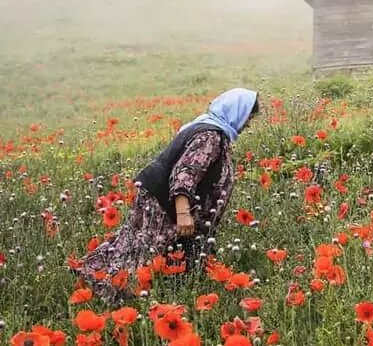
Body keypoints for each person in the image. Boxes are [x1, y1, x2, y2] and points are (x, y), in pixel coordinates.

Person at [77, 87, 259, 305]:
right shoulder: (210, 136)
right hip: (164, 207)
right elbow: (185, 173)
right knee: (143, 255)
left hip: (159, 201)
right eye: (248, 117)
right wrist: (183, 213)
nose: (248, 123)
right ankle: (110, 298)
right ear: (236, 112)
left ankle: (102, 287)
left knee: (137, 247)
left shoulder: (206, 127)